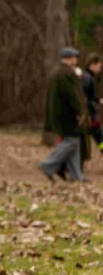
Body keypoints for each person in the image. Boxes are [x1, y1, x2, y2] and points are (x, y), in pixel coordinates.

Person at [40, 47, 89, 183]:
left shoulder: (55, 72)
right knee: (71, 141)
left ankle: (76, 175)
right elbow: (73, 95)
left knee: (74, 142)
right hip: (67, 114)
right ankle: (47, 165)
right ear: (70, 59)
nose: (76, 60)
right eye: (74, 57)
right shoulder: (68, 73)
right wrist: (80, 112)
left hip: (57, 114)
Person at [82, 53, 102, 148]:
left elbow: (90, 96)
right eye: (99, 66)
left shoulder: (88, 77)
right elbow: (84, 98)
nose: (100, 69)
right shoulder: (87, 78)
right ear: (92, 64)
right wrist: (94, 105)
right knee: (99, 136)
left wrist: (98, 100)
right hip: (89, 115)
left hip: (88, 114)